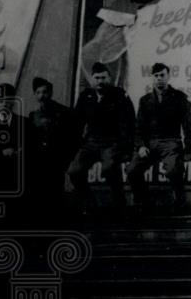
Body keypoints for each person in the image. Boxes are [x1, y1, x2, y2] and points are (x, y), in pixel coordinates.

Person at [127, 63, 191, 213]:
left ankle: (179, 200)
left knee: (173, 170)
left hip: (171, 141)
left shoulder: (179, 98)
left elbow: (189, 126)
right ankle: (143, 201)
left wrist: (189, 149)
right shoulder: (145, 100)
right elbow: (139, 127)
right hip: (150, 143)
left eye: (162, 75)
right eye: (156, 76)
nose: (159, 79)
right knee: (132, 170)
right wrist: (140, 146)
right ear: (152, 78)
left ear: (168, 76)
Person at [67, 62, 135, 215]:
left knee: (109, 169)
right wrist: (76, 146)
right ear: (92, 79)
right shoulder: (86, 96)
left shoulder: (119, 95)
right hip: (91, 142)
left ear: (109, 78)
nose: (100, 81)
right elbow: (77, 122)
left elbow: (129, 123)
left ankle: (119, 205)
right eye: (97, 78)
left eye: (103, 78)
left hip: (112, 143)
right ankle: (89, 202)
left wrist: (126, 149)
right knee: (74, 171)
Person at [27, 76, 77, 217]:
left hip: (58, 159)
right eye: (38, 92)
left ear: (51, 93)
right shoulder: (33, 115)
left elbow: (73, 137)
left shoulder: (64, 112)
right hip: (39, 160)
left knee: (56, 191)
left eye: (45, 92)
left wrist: (67, 158)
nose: (42, 96)